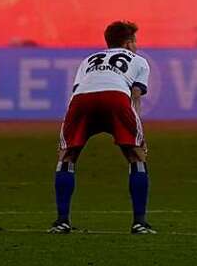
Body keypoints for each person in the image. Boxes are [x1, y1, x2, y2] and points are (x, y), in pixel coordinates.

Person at [50, 20, 153, 235]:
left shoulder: (88, 60)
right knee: (136, 156)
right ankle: (140, 223)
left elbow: (78, 91)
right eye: (134, 42)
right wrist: (138, 136)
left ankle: (61, 221)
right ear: (128, 43)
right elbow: (135, 97)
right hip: (116, 97)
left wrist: (67, 133)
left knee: (67, 157)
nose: (136, 46)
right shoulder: (139, 61)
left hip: (82, 100)